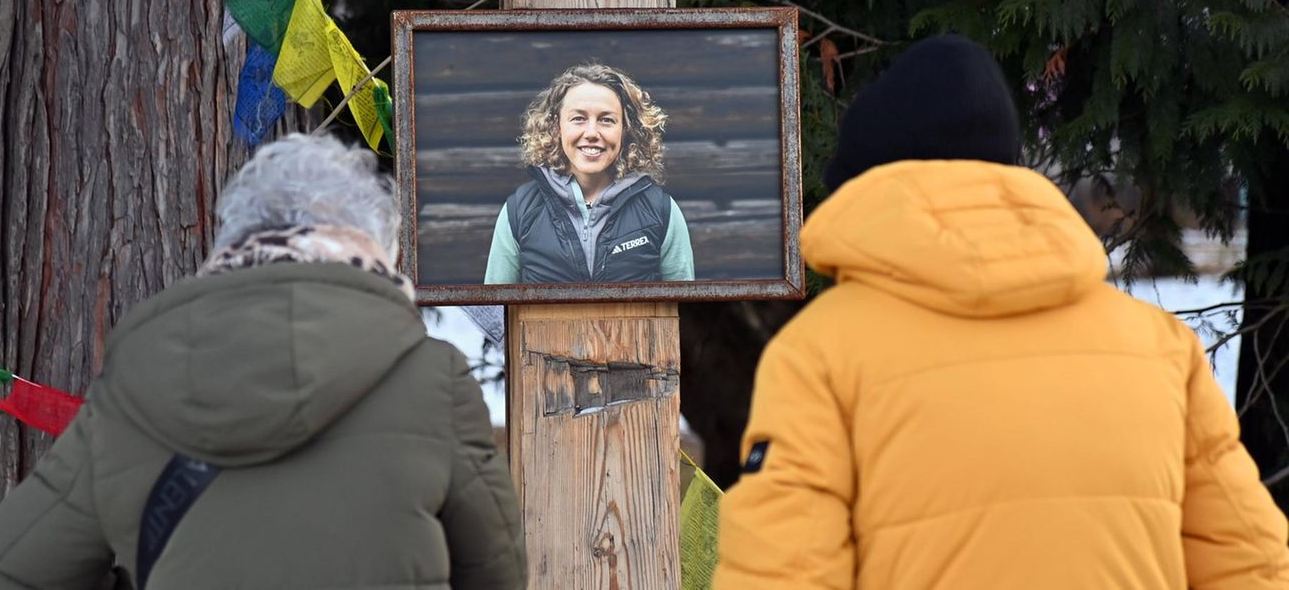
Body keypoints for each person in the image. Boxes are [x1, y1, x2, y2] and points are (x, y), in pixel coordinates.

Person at [714, 36, 1289, 589]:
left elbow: (781, 576)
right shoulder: (1159, 347)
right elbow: (1252, 566)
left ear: (859, 192)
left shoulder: (818, 355)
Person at [0, 133, 527, 590]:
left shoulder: (135, 392)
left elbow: (6, 574)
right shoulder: (433, 379)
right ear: (374, 247)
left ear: (233, 242)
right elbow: (496, 572)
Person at [484, 62, 694, 284]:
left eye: (606, 120)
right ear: (557, 127)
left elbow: (683, 308)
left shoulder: (661, 211)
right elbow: (496, 309)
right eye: (578, 118)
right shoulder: (519, 211)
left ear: (625, 129)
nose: (592, 133)